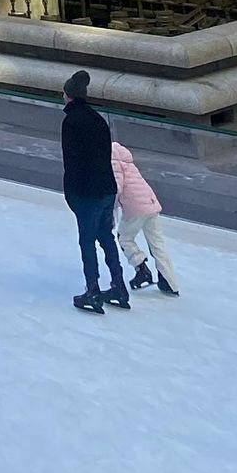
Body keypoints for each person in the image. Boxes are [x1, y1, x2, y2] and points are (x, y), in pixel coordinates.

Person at [62, 70, 129, 312]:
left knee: (87, 241)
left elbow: (72, 160)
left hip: (86, 192)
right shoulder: (98, 119)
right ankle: (119, 285)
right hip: (106, 188)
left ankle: (93, 290)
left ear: (68, 95)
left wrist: (71, 193)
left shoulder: (71, 121)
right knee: (105, 236)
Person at [112, 140, 177, 297]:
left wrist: (111, 208)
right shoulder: (127, 161)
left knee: (124, 238)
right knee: (157, 243)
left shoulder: (113, 161)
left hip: (136, 208)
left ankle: (141, 268)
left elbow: (116, 187)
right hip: (151, 203)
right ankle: (170, 281)